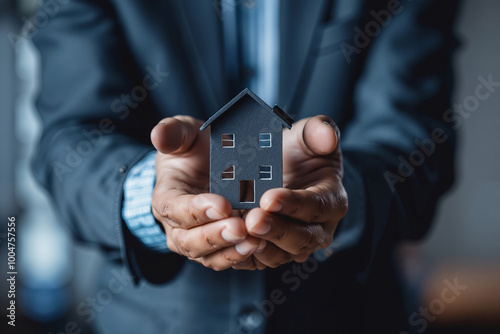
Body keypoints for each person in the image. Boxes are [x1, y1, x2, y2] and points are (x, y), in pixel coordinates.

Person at [32, 0, 460, 333]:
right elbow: (68, 139)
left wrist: (342, 196)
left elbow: (416, 136)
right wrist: (154, 195)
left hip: (350, 316)